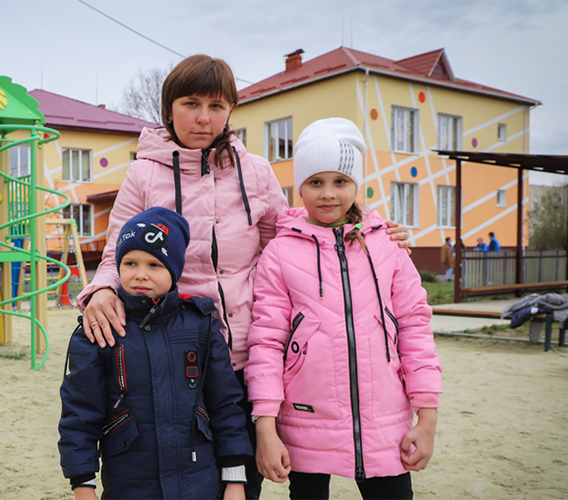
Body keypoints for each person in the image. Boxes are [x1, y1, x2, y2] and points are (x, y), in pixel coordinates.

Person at [75, 54, 412, 499]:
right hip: (177, 354)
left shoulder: (254, 171)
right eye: (191, 103)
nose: (203, 117)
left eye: (216, 106)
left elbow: (294, 234)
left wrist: (365, 229)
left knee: (241, 480)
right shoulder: (142, 174)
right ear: (168, 108)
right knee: (185, 478)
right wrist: (100, 289)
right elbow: (117, 249)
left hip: (247, 355)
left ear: (231, 110)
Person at [246, 118, 442, 500]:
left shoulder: (387, 247)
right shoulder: (279, 254)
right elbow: (266, 343)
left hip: (385, 423)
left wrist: (428, 416)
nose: (328, 194)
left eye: (340, 181)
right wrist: (265, 428)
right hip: (305, 422)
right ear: (299, 186)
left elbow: (415, 329)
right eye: (315, 182)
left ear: (356, 184)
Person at [59, 207, 253, 500]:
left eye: (154, 265)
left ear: (174, 270)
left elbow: (225, 403)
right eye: (130, 263)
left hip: (199, 482)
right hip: (130, 483)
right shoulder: (100, 329)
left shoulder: (201, 325)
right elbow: (79, 412)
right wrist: (82, 483)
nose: (140, 275)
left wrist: (235, 477)